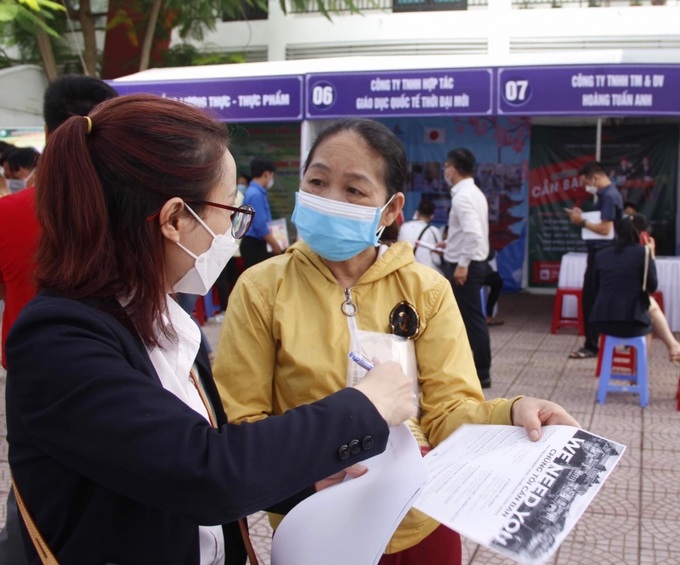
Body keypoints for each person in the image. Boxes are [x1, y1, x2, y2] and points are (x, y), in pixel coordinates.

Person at [5, 96, 416, 564]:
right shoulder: (59, 340)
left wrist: (307, 478)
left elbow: (198, 455)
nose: (234, 229)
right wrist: (365, 404)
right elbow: (204, 470)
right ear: (176, 219)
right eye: (229, 211)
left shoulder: (164, 318)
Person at [213, 118, 580, 565]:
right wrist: (305, 474)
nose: (330, 199)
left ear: (390, 209)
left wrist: (511, 412)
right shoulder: (261, 288)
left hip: (420, 521)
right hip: (317, 525)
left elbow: (449, 411)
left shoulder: (427, 289)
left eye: (354, 190)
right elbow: (241, 420)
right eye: (318, 181)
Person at [0, 74, 119, 565]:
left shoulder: (8, 211)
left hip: (26, 373)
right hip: (115, 372)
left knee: (34, 494)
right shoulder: (125, 213)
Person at [439, 148, 493, 388]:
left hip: (467, 267)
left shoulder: (463, 196)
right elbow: (468, 233)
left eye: (446, 167)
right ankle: (474, 369)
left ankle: (481, 372)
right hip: (469, 261)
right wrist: (450, 243)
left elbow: (474, 235)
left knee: (471, 320)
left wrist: (462, 265)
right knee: (465, 318)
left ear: (452, 168)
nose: (444, 171)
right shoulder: (474, 193)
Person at [566, 160, 623, 359]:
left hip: (603, 254)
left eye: (586, 182)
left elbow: (606, 229)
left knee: (591, 299)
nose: (585, 187)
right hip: (603, 254)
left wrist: (581, 221)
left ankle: (592, 345)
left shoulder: (608, 195)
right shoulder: (607, 194)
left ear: (595, 177)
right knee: (597, 298)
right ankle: (599, 341)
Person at [590, 214, 657, 341]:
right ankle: (644, 360)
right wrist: (651, 255)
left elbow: (595, 288)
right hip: (633, 322)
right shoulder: (643, 253)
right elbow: (652, 286)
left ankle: (673, 346)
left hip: (603, 321)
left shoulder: (600, 254)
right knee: (651, 320)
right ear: (641, 234)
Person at [240, 157, 282, 267]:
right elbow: (260, 225)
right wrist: (275, 245)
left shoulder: (252, 192)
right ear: (267, 174)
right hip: (254, 245)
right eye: (272, 175)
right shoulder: (256, 194)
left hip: (252, 243)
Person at [397, 199, 443, 273]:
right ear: (432, 216)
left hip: (404, 270)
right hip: (426, 273)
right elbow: (437, 259)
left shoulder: (403, 227)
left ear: (417, 213)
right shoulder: (434, 231)